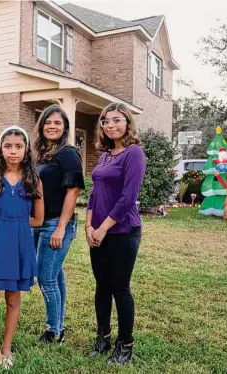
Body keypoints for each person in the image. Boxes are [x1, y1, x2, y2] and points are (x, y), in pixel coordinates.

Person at [0, 125, 44, 368]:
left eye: (19, 146)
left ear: (27, 149)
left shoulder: (34, 180)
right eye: (8, 146)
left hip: (19, 244)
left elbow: (39, 220)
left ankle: (7, 346)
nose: (13, 151)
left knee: (14, 299)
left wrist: (19, 226)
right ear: (1, 149)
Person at [85, 103, 146, 365]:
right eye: (105, 121)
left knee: (120, 288)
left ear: (127, 122)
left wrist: (103, 227)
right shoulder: (105, 156)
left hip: (122, 230)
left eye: (116, 120)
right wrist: (89, 225)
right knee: (102, 287)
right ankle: (103, 337)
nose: (110, 125)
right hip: (96, 231)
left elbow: (128, 198)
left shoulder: (134, 153)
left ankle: (125, 345)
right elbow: (94, 193)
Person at [32, 104, 85, 344]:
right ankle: (59, 326)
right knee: (55, 275)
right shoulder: (42, 155)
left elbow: (73, 192)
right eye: (47, 122)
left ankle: (53, 331)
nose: (52, 127)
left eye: (57, 123)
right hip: (39, 223)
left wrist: (61, 228)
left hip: (56, 224)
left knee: (46, 278)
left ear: (64, 128)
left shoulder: (68, 153)